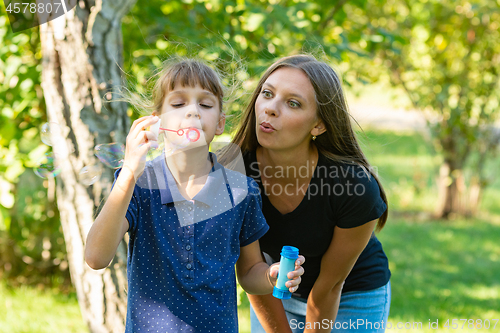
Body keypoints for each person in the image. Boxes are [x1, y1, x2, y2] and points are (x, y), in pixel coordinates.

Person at [84, 59, 305, 333]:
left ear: (220, 123)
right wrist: (129, 172)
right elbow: (96, 258)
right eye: (178, 104)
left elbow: (249, 274)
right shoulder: (139, 183)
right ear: (157, 121)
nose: (192, 112)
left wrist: (271, 276)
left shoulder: (241, 191)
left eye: (205, 104)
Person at [231, 54, 391, 333]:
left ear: (318, 125)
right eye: (267, 94)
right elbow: (250, 271)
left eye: (293, 103)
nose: (270, 108)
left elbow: (329, 288)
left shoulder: (355, 187)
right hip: (272, 287)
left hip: (352, 295)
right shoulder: (234, 172)